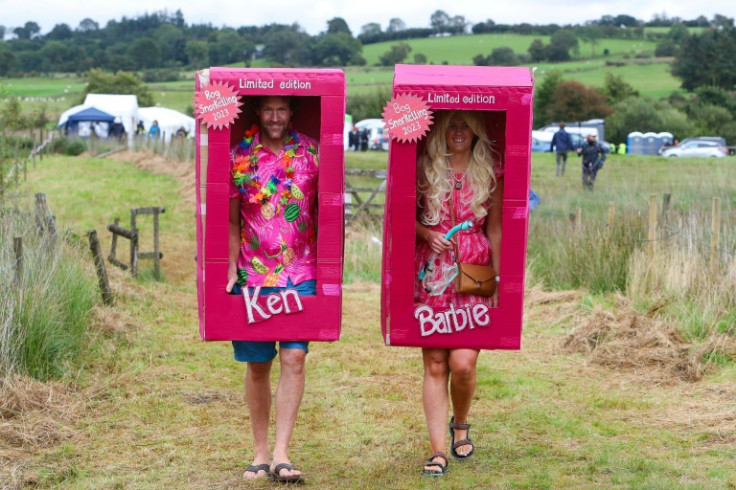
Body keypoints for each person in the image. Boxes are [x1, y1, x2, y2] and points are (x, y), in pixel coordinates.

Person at [225, 95, 319, 484]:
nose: (275, 117)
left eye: (282, 110)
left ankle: (282, 452)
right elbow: (230, 222)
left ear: (292, 113)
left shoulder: (313, 154)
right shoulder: (237, 158)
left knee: (294, 357)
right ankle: (260, 452)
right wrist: (229, 267)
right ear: (257, 114)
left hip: (302, 271)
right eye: (268, 110)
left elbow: (330, 210)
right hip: (252, 275)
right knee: (258, 364)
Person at [414, 110, 503, 476]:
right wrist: (426, 233)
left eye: (465, 124)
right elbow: (402, 215)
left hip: (474, 269)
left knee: (462, 363)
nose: (458, 131)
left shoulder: (491, 171)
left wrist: (498, 278)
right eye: (451, 125)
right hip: (433, 272)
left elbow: (495, 229)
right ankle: (437, 451)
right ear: (440, 132)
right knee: (435, 362)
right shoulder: (424, 166)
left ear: (476, 130)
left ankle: (461, 422)